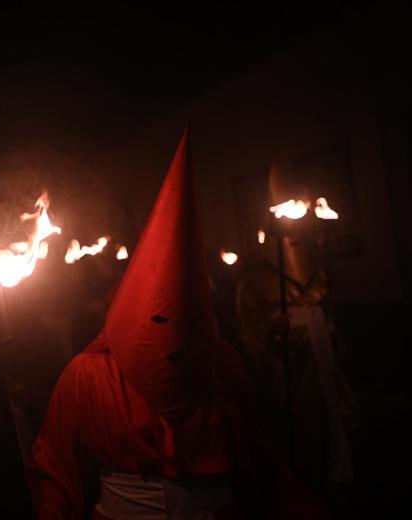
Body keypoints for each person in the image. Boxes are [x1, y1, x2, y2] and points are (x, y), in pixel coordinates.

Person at [29, 130, 325, 519]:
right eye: (159, 320)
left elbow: (260, 455)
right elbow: (55, 471)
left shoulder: (220, 363)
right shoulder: (87, 375)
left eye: (190, 321)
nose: (174, 339)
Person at [235, 158, 356, 492]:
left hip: (317, 358)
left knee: (326, 417)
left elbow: (325, 307)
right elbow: (247, 324)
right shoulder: (256, 276)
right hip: (284, 365)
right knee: (292, 426)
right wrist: (272, 330)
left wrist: (327, 331)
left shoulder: (313, 263)